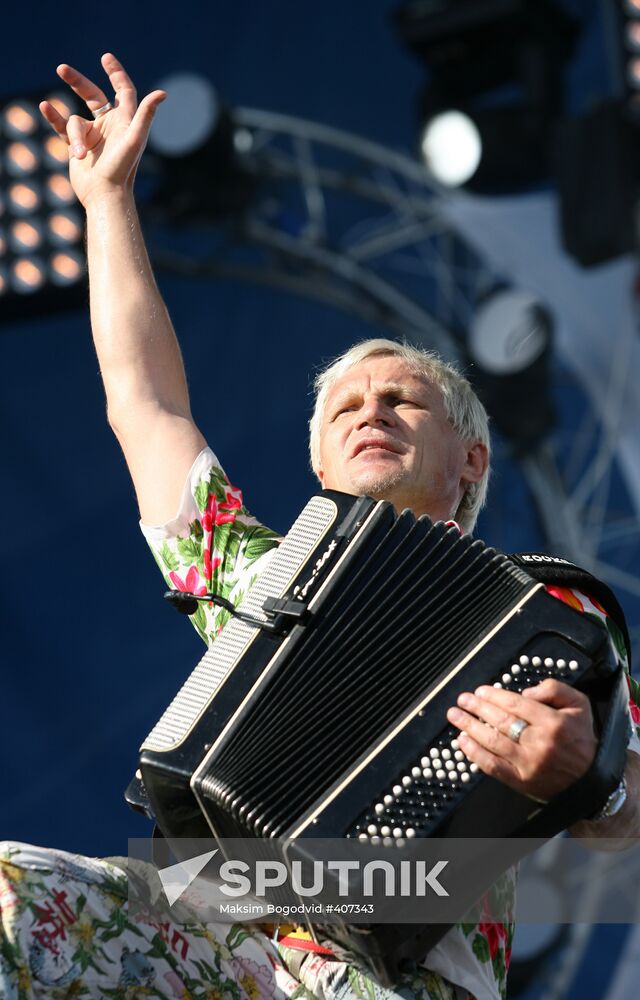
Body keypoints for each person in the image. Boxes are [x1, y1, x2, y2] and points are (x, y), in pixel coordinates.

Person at [1, 54, 639, 1000]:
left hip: (404, 973)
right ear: (319, 464)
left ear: (473, 460)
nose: (369, 413)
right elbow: (146, 406)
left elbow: (629, 823)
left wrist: (597, 781)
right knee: (12, 890)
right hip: (224, 923)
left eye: (402, 402)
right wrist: (107, 205)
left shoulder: (546, 621)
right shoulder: (264, 577)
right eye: (345, 408)